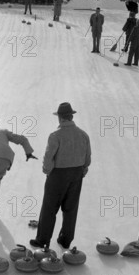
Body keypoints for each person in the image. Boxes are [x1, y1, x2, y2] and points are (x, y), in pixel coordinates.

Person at [30, 102, 91, 249]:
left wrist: (47, 170)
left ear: (60, 118)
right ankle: (66, 239)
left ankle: (43, 239)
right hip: (77, 174)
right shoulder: (83, 135)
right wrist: (82, 170)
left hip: (58, 175)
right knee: (71, 208)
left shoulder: (56, 136)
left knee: (49, 208)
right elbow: (87, 158)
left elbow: (48, 157)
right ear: (71, 117)